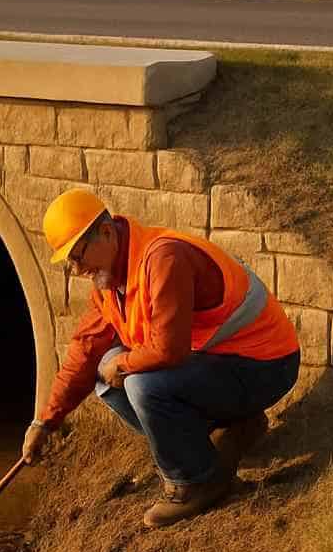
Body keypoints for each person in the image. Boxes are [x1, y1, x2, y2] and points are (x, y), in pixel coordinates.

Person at [21, 189, 302, 528]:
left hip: (266, 365)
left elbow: (170, 350)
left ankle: (195, 482)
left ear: (107, 233)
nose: (77, 269)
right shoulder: (108, 280)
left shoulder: (164, 259)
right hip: (217, 367)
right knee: (101, 374)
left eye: (77, 256)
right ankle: (226, 436)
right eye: (69, 262)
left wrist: (122, 365)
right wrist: (45, 422)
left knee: (139, 384)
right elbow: (84, 350)